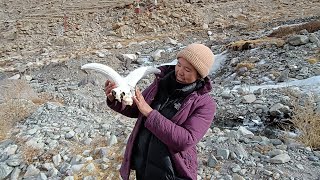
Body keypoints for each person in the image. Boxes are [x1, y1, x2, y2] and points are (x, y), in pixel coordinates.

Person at [105, 43, 216, 180]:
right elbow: (136, 109)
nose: (180, 71)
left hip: (171, 173)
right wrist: (116, 98)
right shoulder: (161, 83)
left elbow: (185, 140)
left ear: (199, 75)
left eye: (187, 69)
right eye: (179, 64)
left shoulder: (204, 103)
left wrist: (150, 114)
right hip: (144, 166)